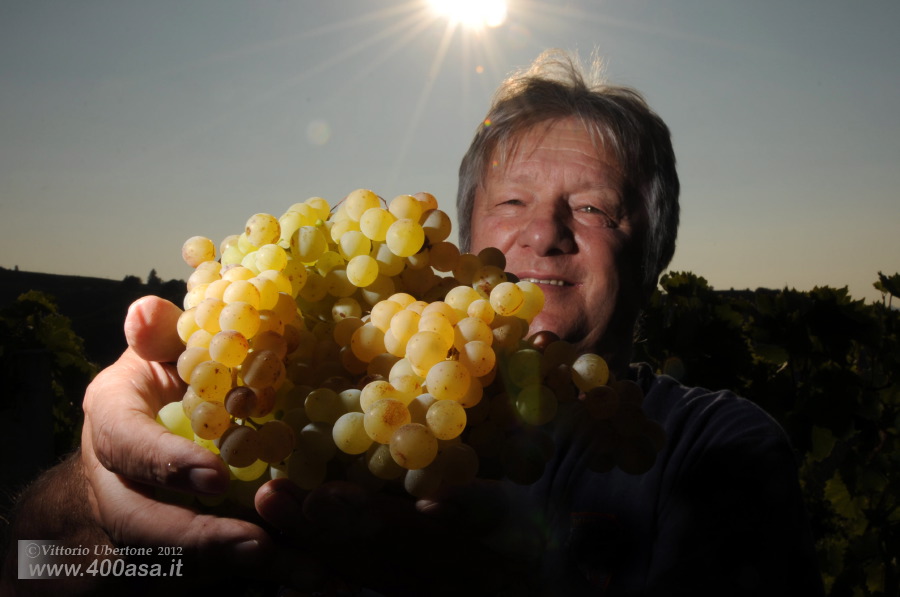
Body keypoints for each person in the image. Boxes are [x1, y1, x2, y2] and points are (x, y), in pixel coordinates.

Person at [1, 50, 824, 596]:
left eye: (593, 207)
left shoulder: (715, 449)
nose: (545, 232)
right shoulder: (305, 401)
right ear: (464, 243)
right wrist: (94, 502)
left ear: (656, 251)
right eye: (512, 202)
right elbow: (26, 571)